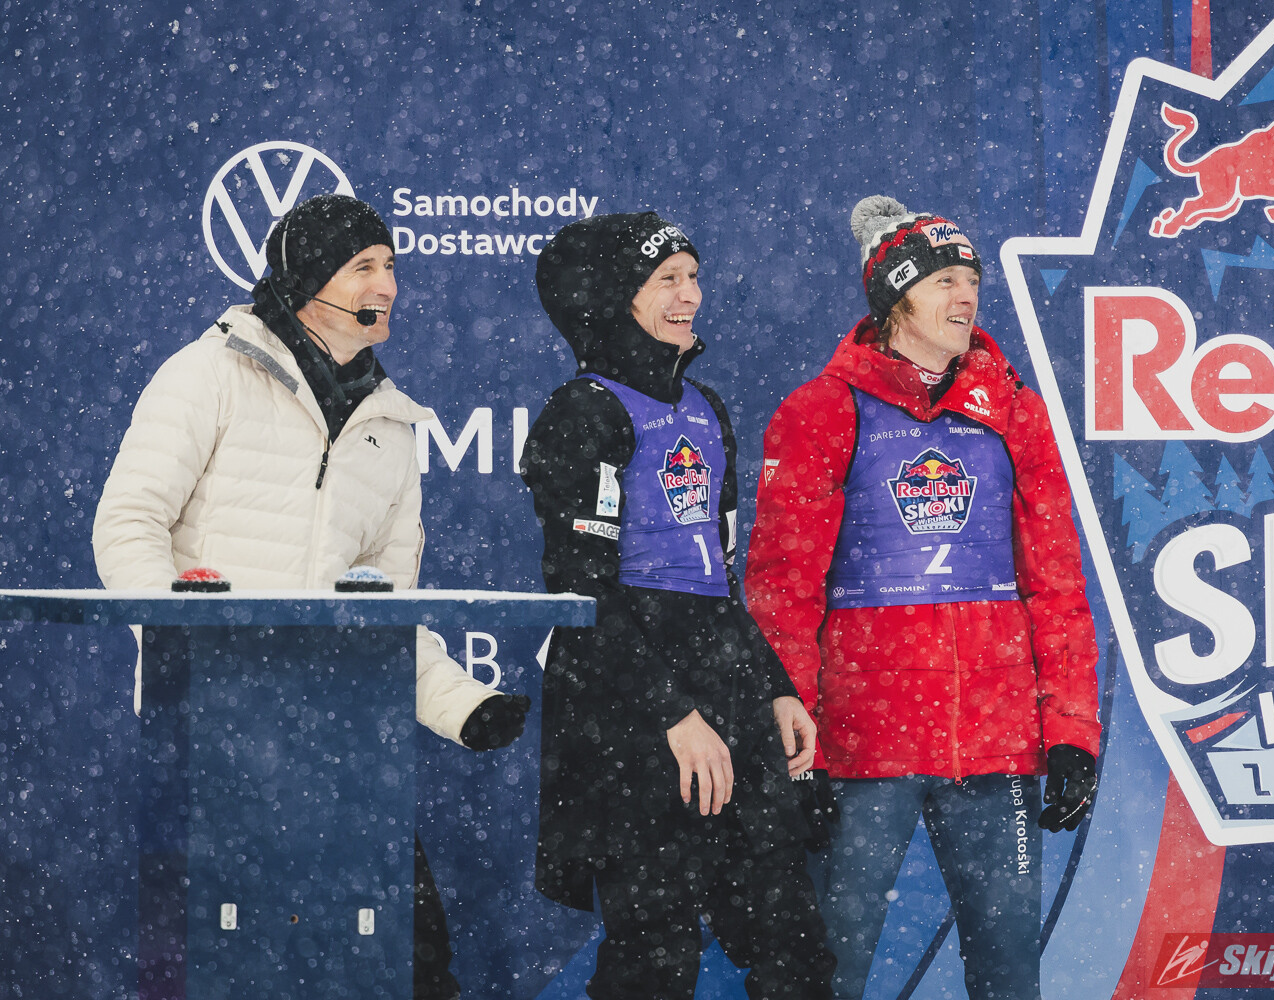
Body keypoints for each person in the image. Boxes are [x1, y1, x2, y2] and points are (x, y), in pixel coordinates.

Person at [92, 193, 530, 1000]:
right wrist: (186, 649)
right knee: (236, 969)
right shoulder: (208, 375)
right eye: (363, 267)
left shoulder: (393, 426)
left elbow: (386, 611)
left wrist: (461, 705)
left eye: (390, 266)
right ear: (307, 282)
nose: (387, 284)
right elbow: (128, 523)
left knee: (414, 964)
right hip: (218, 737)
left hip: (342, 742)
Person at [744, 195, 1102, 1000]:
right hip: (860, 747)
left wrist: (1072, 730)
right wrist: (792, 741)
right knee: (824, 975)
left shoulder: (1016, 412)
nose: (966, 296)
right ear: (895, 299)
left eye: (971, 280)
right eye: (944, 281)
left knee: (1010, 978)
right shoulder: (821, 410)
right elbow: (781, 591)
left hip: (997, 744)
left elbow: (1056, 583)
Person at [520, 212, 836, 1000]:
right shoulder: (583, 412)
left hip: (724, 689)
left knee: (791, 943)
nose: (690, 295)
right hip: (630, 713)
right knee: (654, 956)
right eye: (667, 280)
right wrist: (673, 714)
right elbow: (583, 596)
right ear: (617, 296)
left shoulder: (706, 407)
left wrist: (774, 688)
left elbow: (716, 580)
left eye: (693, 277)